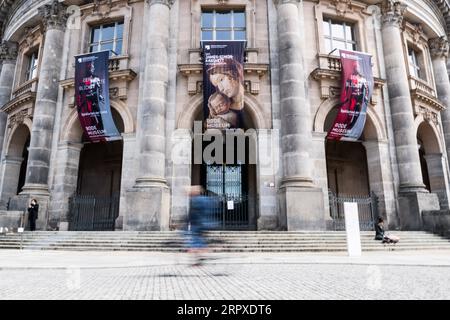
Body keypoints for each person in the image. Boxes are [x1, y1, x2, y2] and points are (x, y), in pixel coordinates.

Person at [187, 186, 211, 266]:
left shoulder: (198, 200)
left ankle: (202, 253)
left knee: (196, 243)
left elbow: (194, 213)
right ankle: (199, 258)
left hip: (199, 224)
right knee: (198, 242)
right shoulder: (197, 200)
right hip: (201, 224)